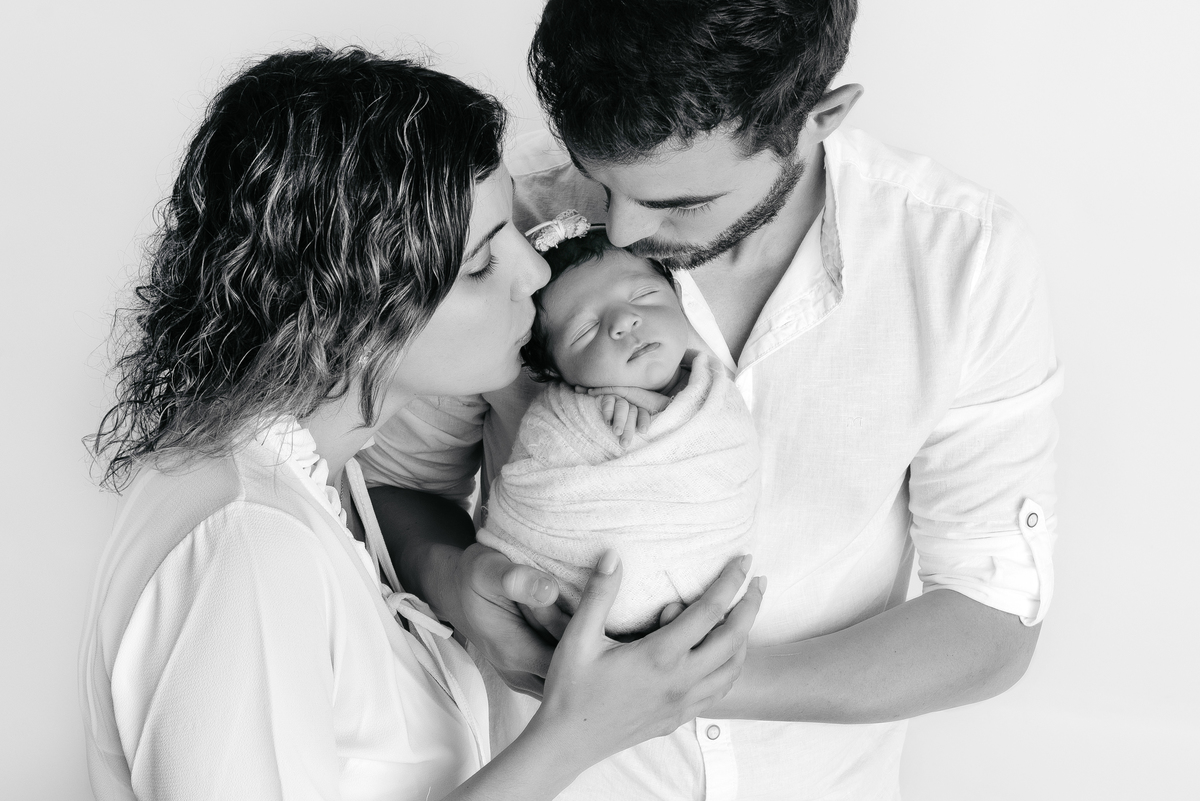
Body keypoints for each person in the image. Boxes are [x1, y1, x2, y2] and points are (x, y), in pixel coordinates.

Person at [362, 0, 1062, 798]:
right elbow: (394, 487)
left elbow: (991, 619)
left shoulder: (960, 261)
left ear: (819, 118)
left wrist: (668, 687)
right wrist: (457, 583)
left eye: (680, 202)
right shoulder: (503, 230)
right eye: (599, 178)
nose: (619, 231)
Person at [78, 46, 765, 801]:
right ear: (353, 312)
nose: (536, 273)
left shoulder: (310, 488)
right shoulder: (246, 544)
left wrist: (459, 580)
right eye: (481, 265)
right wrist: (573, 738)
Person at [477, 224, 760, 635]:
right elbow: (534, 501)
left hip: (721, 613)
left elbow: (733, 453)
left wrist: (663, 418)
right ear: (555, 371)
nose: (625, 321)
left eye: (644, 295)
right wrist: (598, 420)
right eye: (586, 330)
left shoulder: (715, 395)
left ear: (678, 297)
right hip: (567, 620)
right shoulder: (562, 423)